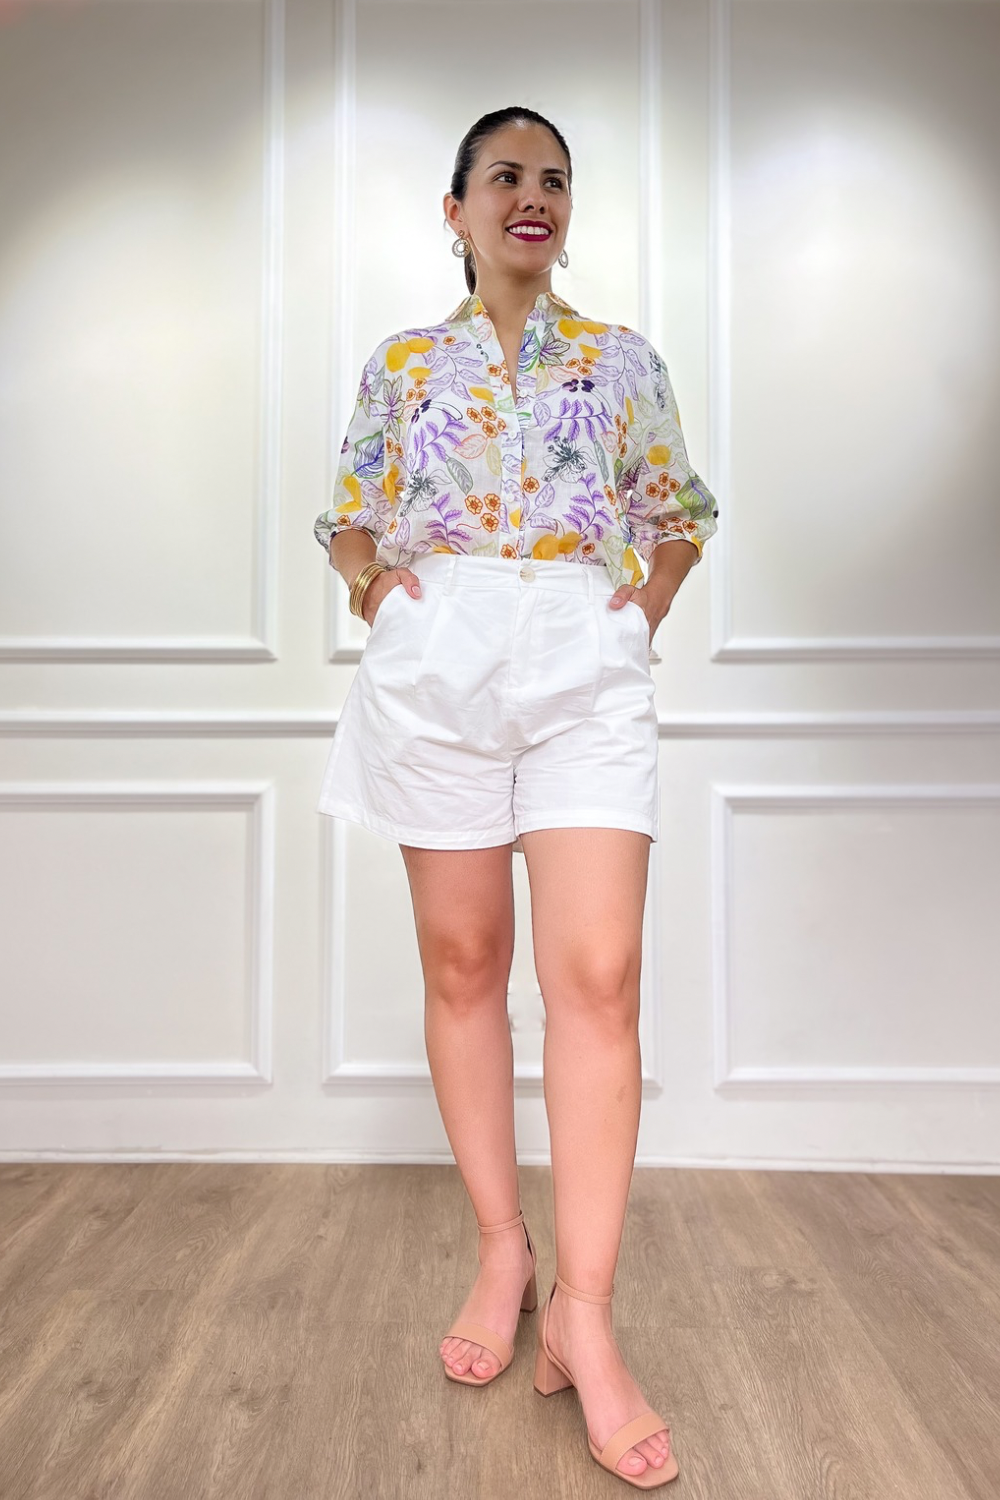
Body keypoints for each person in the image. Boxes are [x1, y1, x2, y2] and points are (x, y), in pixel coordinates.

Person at [314, 105, 718, 1490]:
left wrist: (642, 609)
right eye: (505, 176)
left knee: (597, 976)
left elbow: (679, 511)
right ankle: (505, 1253)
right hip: (439, 658)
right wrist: (378, 587)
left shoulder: (623, 361)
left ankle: (587, 1321)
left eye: (553, 179)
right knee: (463, 961)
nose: (531, 196)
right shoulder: (404, 364)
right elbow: (348, 511)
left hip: (579, 660)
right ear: (458, 209)